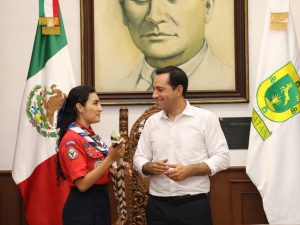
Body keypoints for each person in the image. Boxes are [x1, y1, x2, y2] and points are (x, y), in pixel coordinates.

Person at [133, 66, 230, 225]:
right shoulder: (151, 122)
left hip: (193, 207)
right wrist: (148, 166)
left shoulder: (205, 119)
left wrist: (190, 170)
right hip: (157, 206)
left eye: (160, 89)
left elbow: (223, 158)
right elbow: (139, 157)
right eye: (154, 89)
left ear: (178, 90)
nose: (154, 95)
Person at [118, 0, 234, 91]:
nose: (154, 17)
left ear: (207, 7)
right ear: (123, 10)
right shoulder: (118, 87)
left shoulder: (229, 80)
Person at [56, 85, 128, 225]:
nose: (100, 108)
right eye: (95, 103)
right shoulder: (72, 139)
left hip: (99, 201)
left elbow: (96, 167)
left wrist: (116, 167)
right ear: (80, 107)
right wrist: (110, 159)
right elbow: (82, 184)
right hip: (83, 206)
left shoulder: (89, 135)